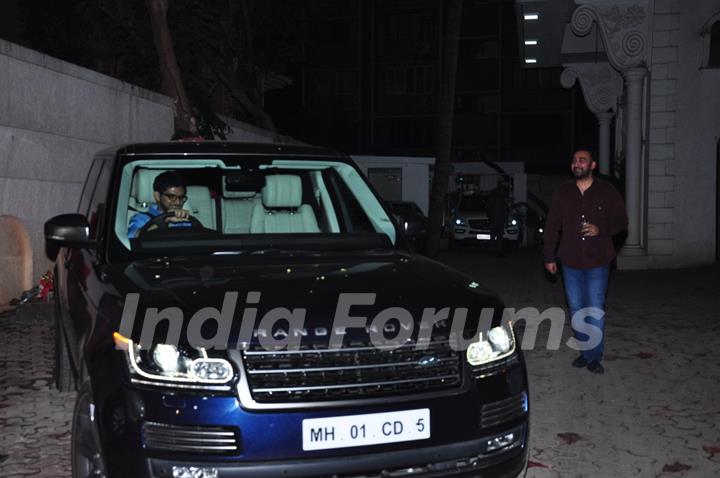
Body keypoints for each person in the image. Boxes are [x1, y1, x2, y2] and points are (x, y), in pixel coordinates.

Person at [543, 149, 628, 374]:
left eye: (582, 160)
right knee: (576, 309)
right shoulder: (563, 192)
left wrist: (602, 229)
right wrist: (548, 256)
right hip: (570, 260)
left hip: (598, 259)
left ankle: (593, 356)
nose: (577, 163)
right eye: (574, 161)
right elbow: (552, 226)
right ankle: (585, 350)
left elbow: (621, 221)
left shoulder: (607, 191)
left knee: (594, 308)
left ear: (592, 165)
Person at [128, 171, 194, 238]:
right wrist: (164, 221)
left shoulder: (186, 220)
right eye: (171, 197)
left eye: (181, 197)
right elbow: (130, 237)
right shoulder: (142, 218)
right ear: (157, 196)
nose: (178, 202)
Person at [486, 184, 508, 257]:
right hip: (500, 221)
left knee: (492, 237)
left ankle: (492, 252)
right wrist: (506, 221)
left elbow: (488, 210)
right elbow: (505, 211)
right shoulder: (502, 200)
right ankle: (499, 252)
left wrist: (490, 218)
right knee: (499, 237)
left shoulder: (491, 200)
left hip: (493, 221)